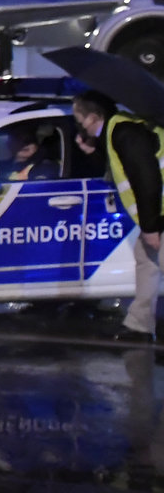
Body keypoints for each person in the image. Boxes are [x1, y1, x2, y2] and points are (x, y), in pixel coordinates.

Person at [73, 90, 164, 338]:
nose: (79, 127)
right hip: (158, 211)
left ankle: (140, 325)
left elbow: (147, 180)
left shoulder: (126, 133)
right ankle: (139, 325)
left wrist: (151, 226)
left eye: (79, 121)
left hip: (160, 212)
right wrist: (92, 151)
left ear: (93, 117)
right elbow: (118, 167)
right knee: (146, 260)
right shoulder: (117, 131)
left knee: (152, 259)